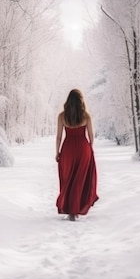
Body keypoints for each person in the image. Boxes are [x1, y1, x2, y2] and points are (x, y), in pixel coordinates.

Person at [55, 89, 99, 221]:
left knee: (68, 178)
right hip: (83, 149)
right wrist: (90, 149)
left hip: (68, 149)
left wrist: (57, 152)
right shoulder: (86, 116)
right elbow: (91, 136)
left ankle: (70, 209)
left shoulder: (62, 116)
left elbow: (58, 137)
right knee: (80, 180)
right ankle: (76, 210)